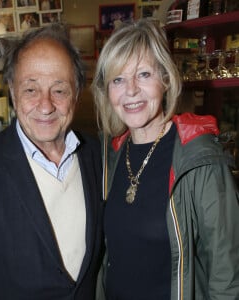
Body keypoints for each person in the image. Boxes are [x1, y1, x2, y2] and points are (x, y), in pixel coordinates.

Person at [0, 24, 104, 299]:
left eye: (59, 90)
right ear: (13, 93)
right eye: (31, 89)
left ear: (76, 94)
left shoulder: (96, 156)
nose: (46, 105)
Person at [92, 18, 239, 300]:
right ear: (107, 91)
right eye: (118, 79)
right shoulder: (110, 155)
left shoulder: (201, 161)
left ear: (166, 79)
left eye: (144, 74)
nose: (131, 90)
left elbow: (227, 273)